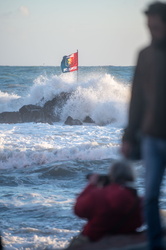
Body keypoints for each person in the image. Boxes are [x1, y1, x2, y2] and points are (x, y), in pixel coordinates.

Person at [121, 2, 166, 250]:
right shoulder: (144, 54)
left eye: (156, 27)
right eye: (149, 27)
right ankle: (155, 245)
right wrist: (129, 136)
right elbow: (136, 98)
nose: (152, 31)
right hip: (150, 137)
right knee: (149, 198)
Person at [68, 161, 143, 248]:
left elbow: (78, 210)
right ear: (132, 176)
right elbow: (139, 222)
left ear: (112, 176)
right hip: (126, 237)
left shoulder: (99, 195)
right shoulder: (138, 200)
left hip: (94, 238)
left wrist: (91, 185)